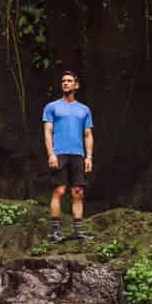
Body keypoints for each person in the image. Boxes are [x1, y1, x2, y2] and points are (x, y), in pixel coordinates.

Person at [41, 70, 94, 243]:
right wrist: (51, 154)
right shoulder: (52, 107)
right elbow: (48, 132)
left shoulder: (84, 110)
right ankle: (55, 231)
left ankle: (78, 231)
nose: (65, 83)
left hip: (78, 154)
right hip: (60, 153)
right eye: (63, 80)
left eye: (69, 80)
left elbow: (88, 134)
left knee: (78, 192)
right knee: (59, 190)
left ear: (76, 85)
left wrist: (89, 157)